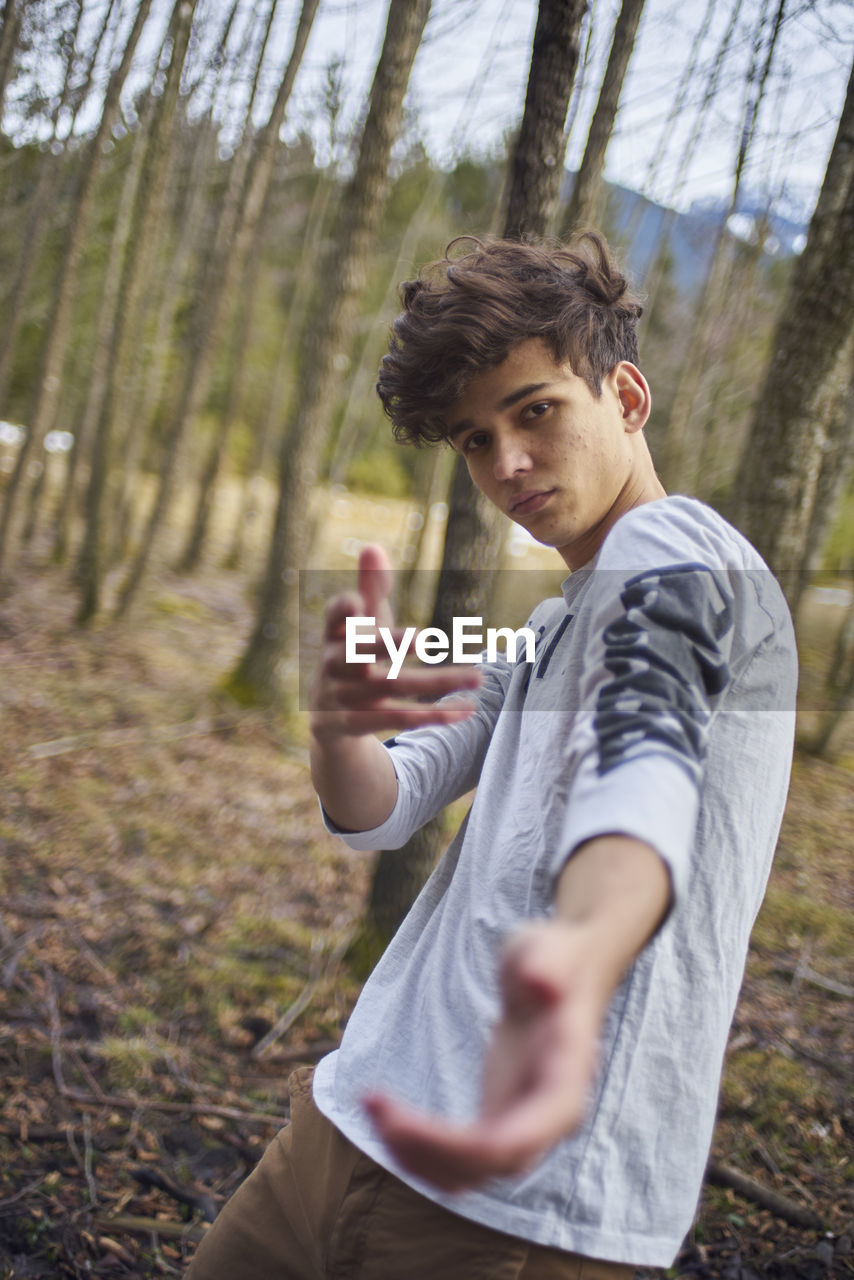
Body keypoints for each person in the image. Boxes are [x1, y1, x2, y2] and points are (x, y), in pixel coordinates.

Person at [186, 234, 797, 1278]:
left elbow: (640, 760)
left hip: (516, 1205)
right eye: (473, 439)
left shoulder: (679, 559)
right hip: (347, 1126)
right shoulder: (553, 626)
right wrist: (337, 727)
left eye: (535, 410)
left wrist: (586, 947)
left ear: (627, 397)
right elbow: (388, 799)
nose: (504, 463)